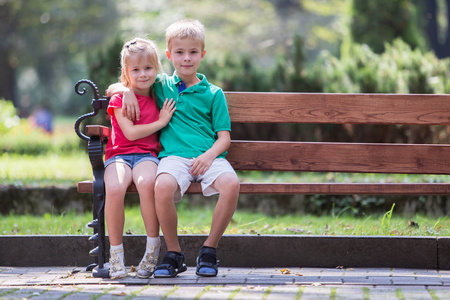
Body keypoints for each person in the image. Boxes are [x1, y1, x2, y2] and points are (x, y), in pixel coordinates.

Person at [108, 19, 240, 278]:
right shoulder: (161, 85)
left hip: (208, 157)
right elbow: (122, 82)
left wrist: (208, 155)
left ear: (202, 54)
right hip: (173, 158)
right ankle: (174, 253)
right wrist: (128, 92)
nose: (186, 58)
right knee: (162, 186)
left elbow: (224, 139)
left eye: (193, 52)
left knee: (232, 184)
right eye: (179, 52)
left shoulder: (214, 93)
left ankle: (209, 249)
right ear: (169, 55)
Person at [104, 37, 176, 279]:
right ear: (126, 72)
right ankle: (116, 256)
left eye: (148, 68)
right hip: (119, 155)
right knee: (114, 187)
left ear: (156, 68)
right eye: (135, 70)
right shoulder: (119, 98)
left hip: (146, 155)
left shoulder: (158, 94)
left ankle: (153, 250)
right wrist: (160, 122)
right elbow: (131, 133)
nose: (143, 74)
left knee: (147, 184)